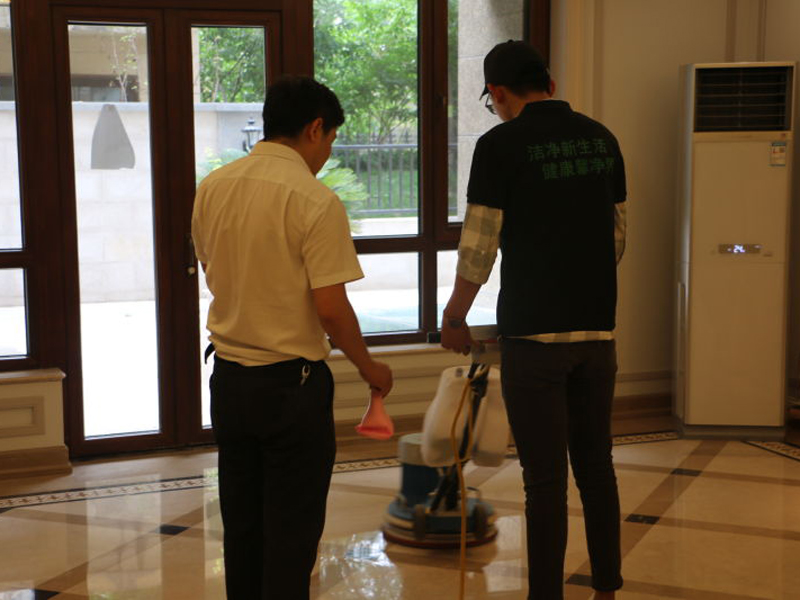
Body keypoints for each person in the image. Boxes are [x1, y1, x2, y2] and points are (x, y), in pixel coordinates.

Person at [191, 75, 393, 600]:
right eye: (330, 140)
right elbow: (331, 310)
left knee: (242, 527)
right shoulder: (315, 200)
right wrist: (371, 368)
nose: (327, 154)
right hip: (291, 389)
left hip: (229, 382)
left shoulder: (214, 187)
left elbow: (211, 268)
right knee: (291, 534)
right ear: (315, 128)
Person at [441, 41, 627, 600]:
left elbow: (479, 245)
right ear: (549, 83)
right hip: (598, 335)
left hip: (533, 340)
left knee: (544, 482)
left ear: (497, 92)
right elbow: (617, 237)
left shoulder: (499, 145)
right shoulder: (602, 139)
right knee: (596, 468)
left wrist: (455, 314)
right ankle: (607, 588)